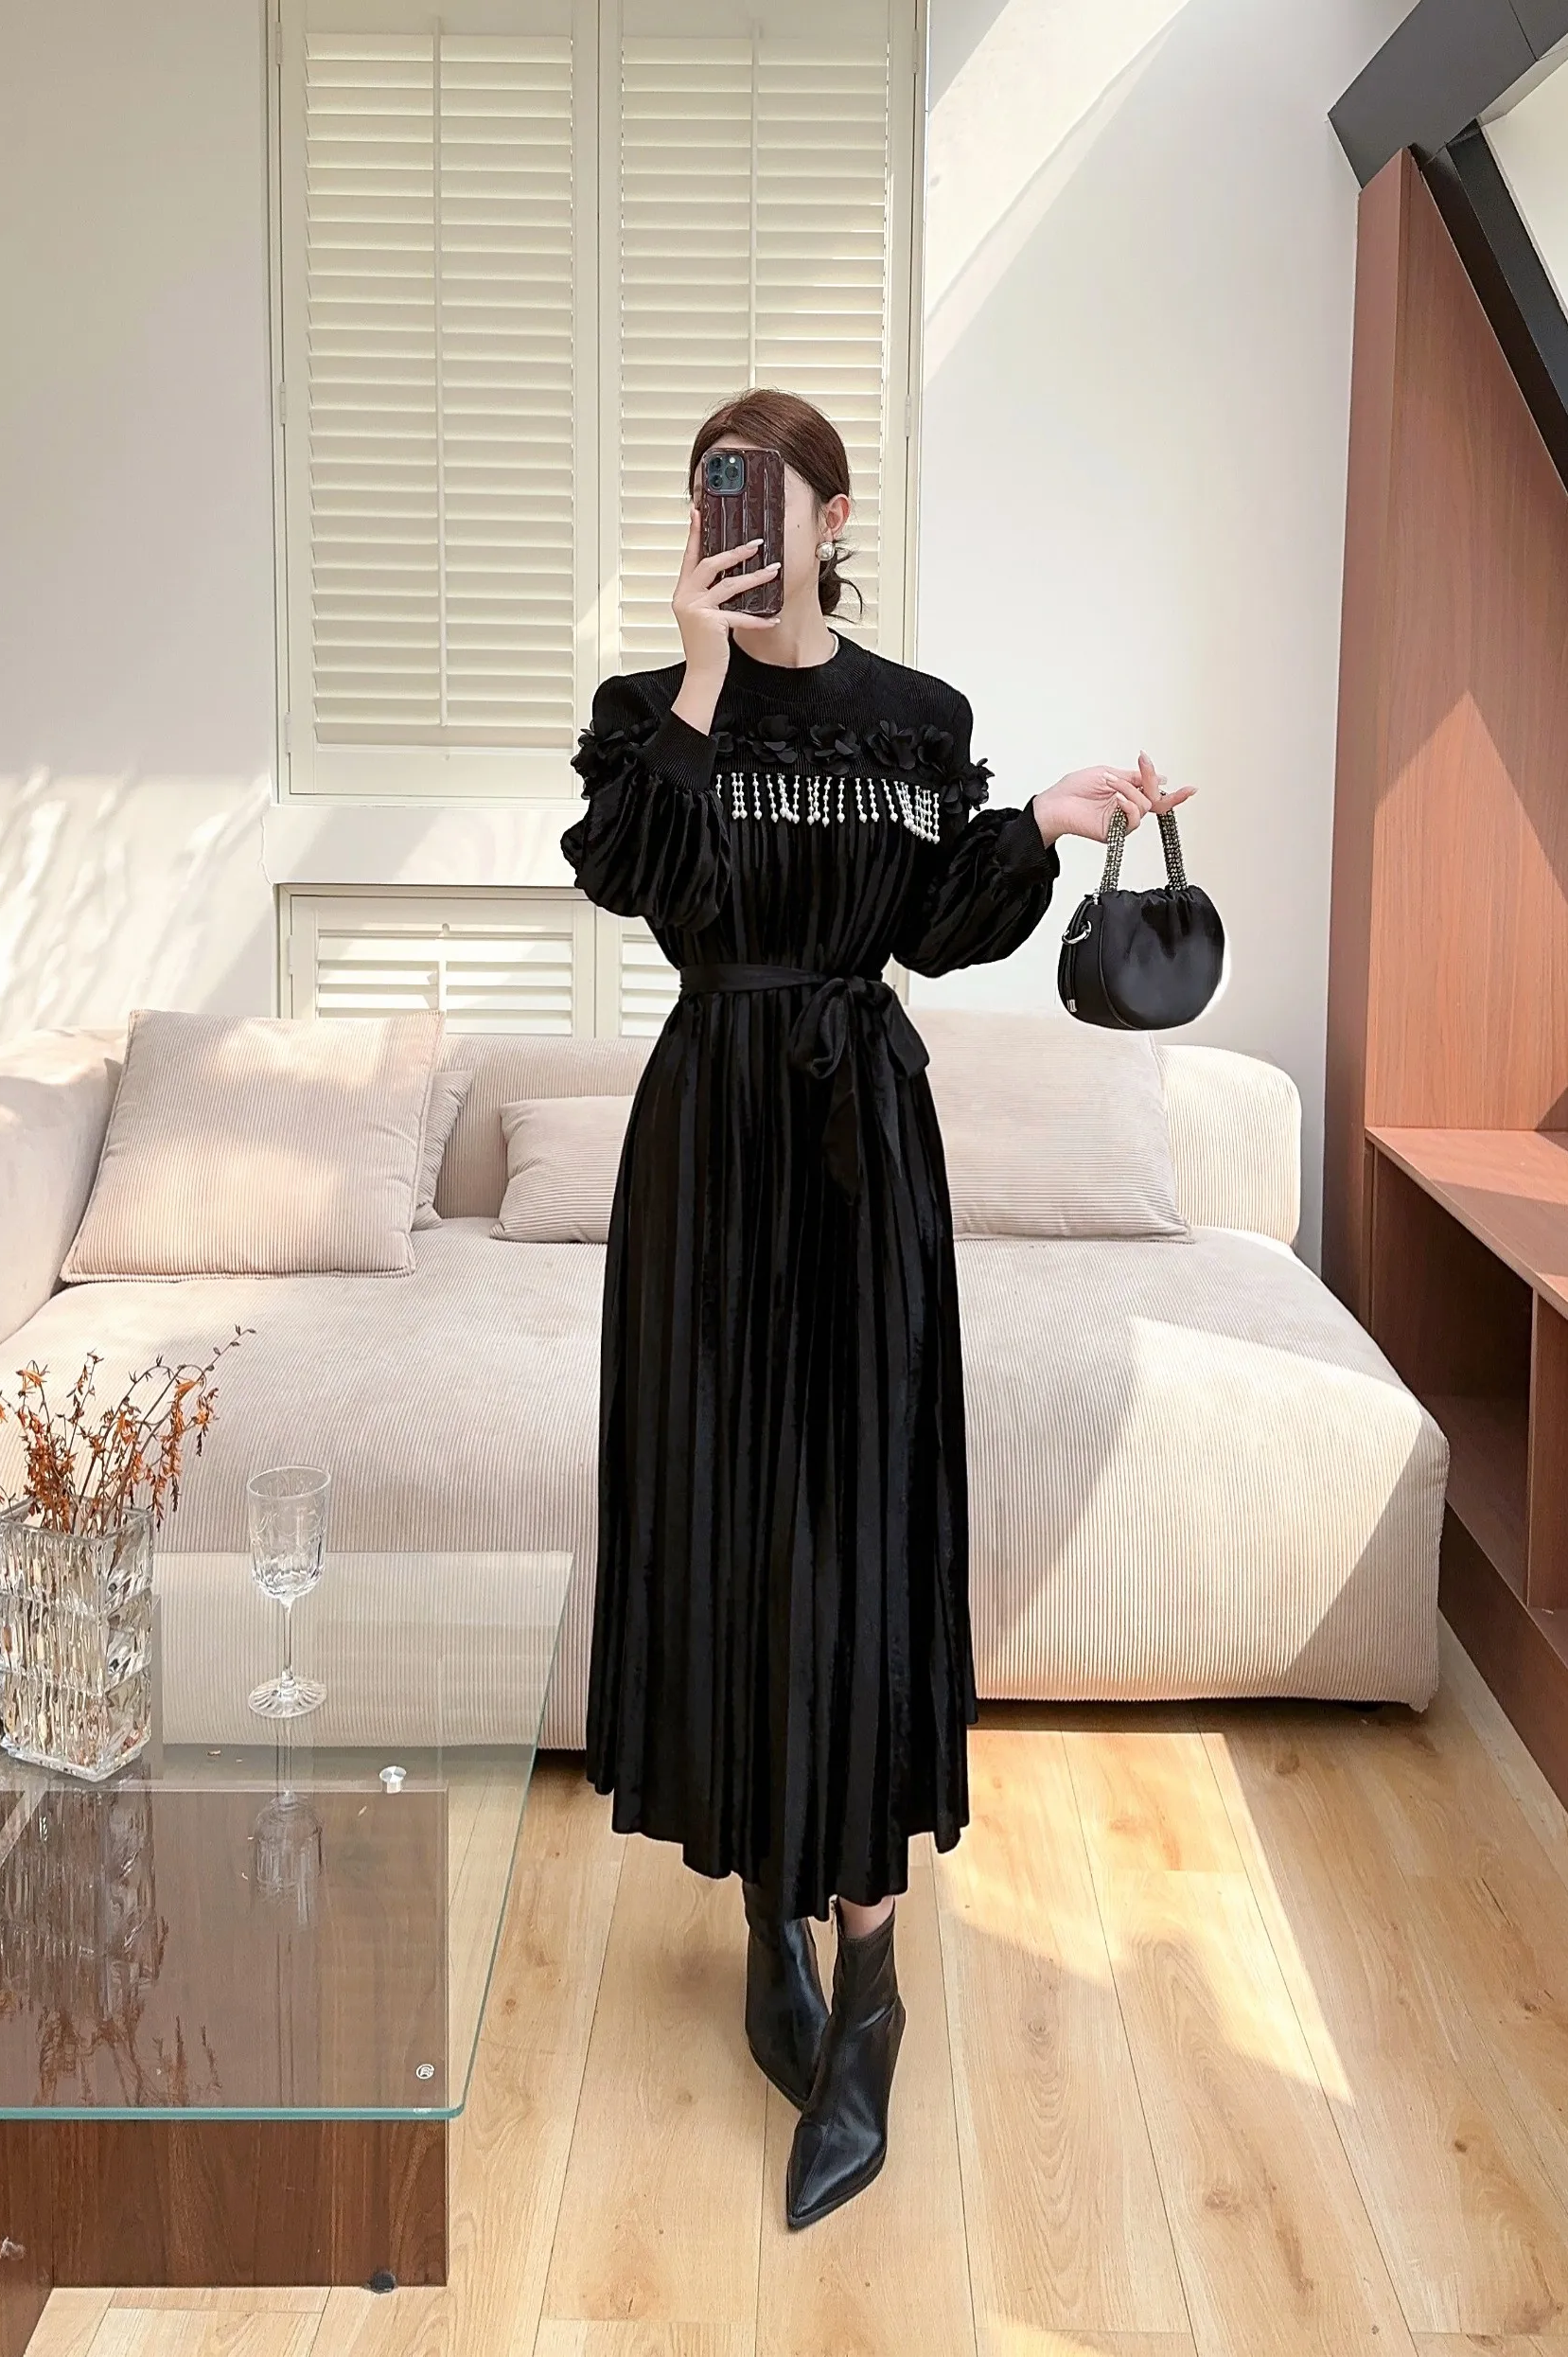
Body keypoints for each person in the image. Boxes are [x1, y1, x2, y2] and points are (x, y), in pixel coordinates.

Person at [561, 388, 1195, 2230]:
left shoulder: (916, 721)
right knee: (725, 1516)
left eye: (765, 495)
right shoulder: (647, 713)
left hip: (858, 1162)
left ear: (832, 517)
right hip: (705, 1158)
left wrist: (1039, 821)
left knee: (855, 1530)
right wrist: (698, 675)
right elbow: (641, 881)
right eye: (712, 496)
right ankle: (764, 1899)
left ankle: (871, 1968)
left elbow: (931, 926)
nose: (738, 522)